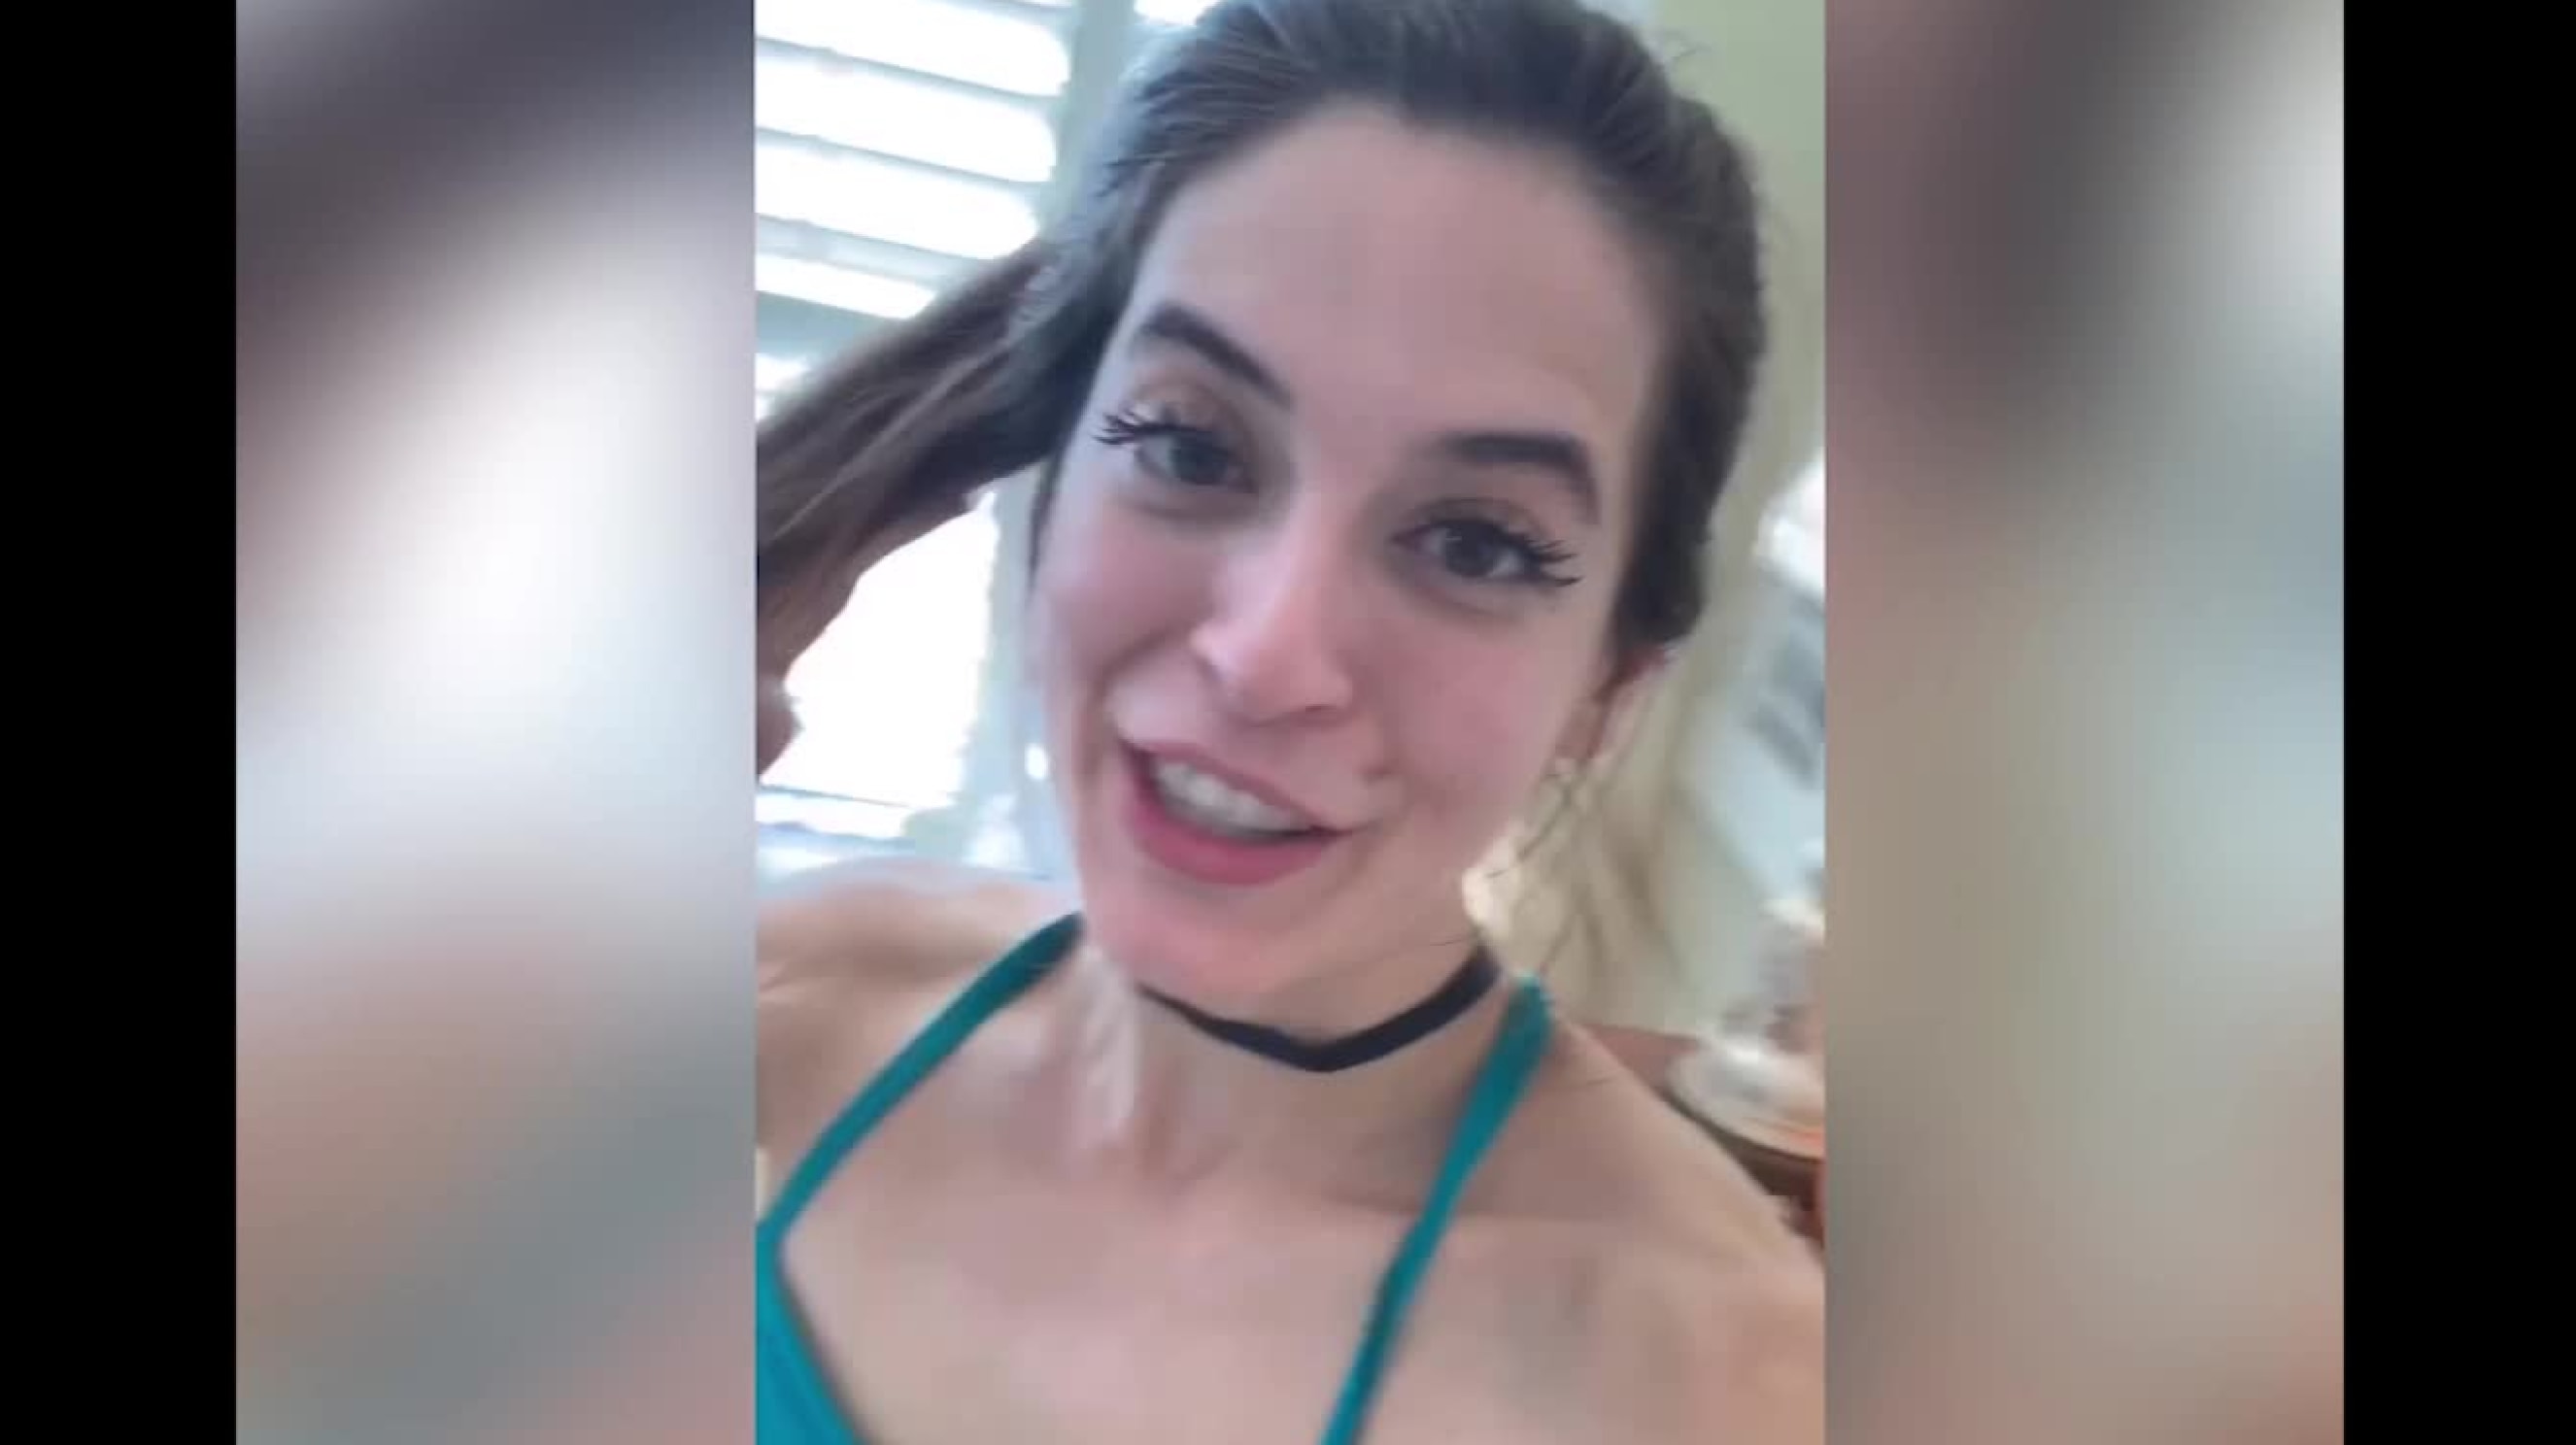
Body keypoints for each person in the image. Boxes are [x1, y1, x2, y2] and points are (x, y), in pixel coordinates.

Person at [755, 1, 1823, 1440]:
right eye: (1190, 446)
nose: (1268, 657)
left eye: (1476, 543)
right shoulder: (794, 1006)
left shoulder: (1725, 1376)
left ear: (1609, 686)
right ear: (1049, 466)